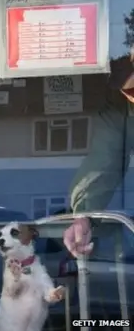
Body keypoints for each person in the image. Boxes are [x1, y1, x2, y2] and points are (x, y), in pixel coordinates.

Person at [65, 53, 134, 255]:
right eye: (128, 89)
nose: (131, 95)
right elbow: (106, 158)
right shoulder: (120, 107)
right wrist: (84, 216)